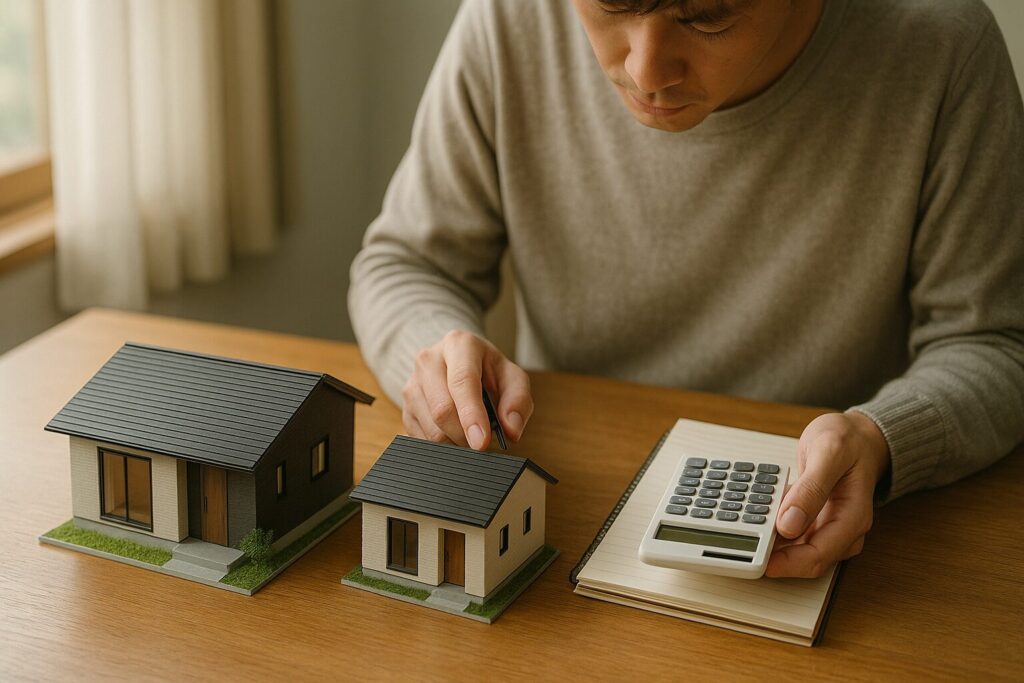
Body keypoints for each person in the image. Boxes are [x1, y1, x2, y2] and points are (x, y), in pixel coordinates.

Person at [348, 0, 1024, 578]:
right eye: (614, 3)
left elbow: (995, 341)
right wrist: (435, 353)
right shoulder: (512, 16)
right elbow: (406, 262)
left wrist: (881, 439)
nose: (646, 70)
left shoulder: (940, 46)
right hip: (570, 507)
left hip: (835, 543)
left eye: (708, 16)